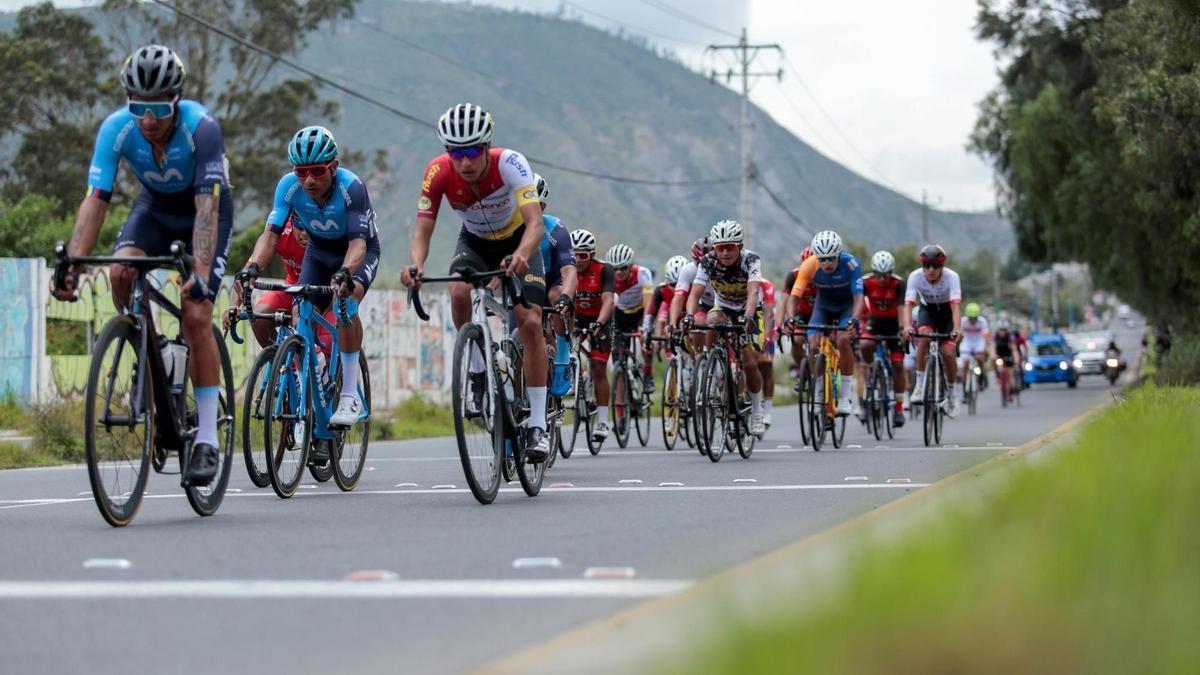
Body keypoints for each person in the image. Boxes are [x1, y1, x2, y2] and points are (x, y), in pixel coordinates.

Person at [52, 45, 232, 484]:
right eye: (139, 108)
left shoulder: (201, 128)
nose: (148, 119)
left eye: (159, 109)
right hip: (154, 209)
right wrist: (73, 265)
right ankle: (153, 351)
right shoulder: (115, 129)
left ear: (176, 100)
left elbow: (207, 211)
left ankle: (207, 439)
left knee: (196, 313)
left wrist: (201, 275)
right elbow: (96, 201)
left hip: (204, 210)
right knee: (120, 273)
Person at [400, 103, 551, 462]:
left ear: (486, 147)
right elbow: (423, 230)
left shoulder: (510, 163)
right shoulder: (437, 172)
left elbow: (535, 223)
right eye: (456, 153)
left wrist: (522, 254)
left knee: (530, 321)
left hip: (519, 240)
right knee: (458, 290)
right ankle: (479, 372)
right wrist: (416, 266)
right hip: (475, 242)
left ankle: (538, 424)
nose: (464, 162)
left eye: (471, 152)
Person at [244, 126, 381, 436]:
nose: (308, 180)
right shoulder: (287, 187)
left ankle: (349, 394)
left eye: (317, 171)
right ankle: (313, 379)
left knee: (347, 301)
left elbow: (358, 245)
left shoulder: (351, 187)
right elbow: (270, 236)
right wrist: (253, 267)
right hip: (318, 251)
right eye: (301, 172)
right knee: (300, 312)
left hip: (355, 250)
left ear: (333, 167)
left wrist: (345, 272)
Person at [683, 220, 767, 435]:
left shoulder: (751, 260)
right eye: (720, 248)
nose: (725, 253)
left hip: (749, 309)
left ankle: (757, 411)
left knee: (750, 363)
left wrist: (748, 317)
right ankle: (715, 365)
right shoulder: (708, 261)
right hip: (723, 306)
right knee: (711, 321)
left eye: (729, 247)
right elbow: (695, 293)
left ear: (739, 246)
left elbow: (753, 292)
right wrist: (689, 315)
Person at [786, 231, 864, 417]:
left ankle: (845, 396)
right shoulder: (809, 265)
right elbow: (793, 298)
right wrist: (790, 318)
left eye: (831, 259)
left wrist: (854, 319)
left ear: (839, 255)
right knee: (813, 344)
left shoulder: (850, 264)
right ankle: (819, 389)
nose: (826, 264)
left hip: (846, 307)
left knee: (843, 340)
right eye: (822, 259)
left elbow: (859, 298)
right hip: (823, 307)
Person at [901, 244, 963, 418]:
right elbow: (908, 304)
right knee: (924, 337)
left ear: (942, 266)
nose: (931, 270)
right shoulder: (915, 276)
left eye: (936, 266)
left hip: (947, 314)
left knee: (948, 353)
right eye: (926, 265)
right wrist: (906, 326)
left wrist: (957, 328)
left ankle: (952, 395)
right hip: (927, 311)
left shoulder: (952, 277)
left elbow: (955, 306)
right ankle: (919, 386)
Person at [532, 173, 578, 397]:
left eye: (535, 205)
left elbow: (569, 272)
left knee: (556, 296)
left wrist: (566, 297)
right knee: (516, 337)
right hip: (527, 284)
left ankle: (561, 356)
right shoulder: (508, 228)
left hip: (552, 282)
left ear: (543, 207)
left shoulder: (555, 228)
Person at [569, 229, 615, 443]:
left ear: (592, 254)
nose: (578, 260)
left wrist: (600, 323)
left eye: (583, 255)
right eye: (574, 254)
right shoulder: (567, 268)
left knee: (598, 367)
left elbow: (608, 300)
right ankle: (577, 378)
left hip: (600, 318)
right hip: (577, 318)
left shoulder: (604, 270)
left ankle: (603, 422)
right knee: (564, 349)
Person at [859, 250, 907, 428]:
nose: (881, 279)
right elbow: (857, 301)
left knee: (898, 364)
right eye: (878, 275)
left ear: (891, 273)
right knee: (865, 344)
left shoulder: (898, 283)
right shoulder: (866, 282)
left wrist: (902, 329)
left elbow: (902, 307)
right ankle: (871, 371)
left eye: (885, 275)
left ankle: (899, 408)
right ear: (873, 272)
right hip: (875, 322)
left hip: (894, 324)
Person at [606, 244, 655, 394]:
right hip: (620, 314)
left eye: (623, 268)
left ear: (630, 265)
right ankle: (621, 397)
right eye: (615, 269)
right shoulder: (608, 276)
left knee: (646, 342)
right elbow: (607, 301)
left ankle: (648, 374)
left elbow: (648, 302)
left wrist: (646, 325)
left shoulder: (642, 273)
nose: (618, 272)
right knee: (616, 353)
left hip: (639, 313)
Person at [778, 247, 817, 384]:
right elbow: (784, 302)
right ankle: (804, 369)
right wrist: (780, 324)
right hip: (803, 314)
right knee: (797, 340)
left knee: (818, 343)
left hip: (820, 313)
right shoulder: (793, 276)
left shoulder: (824, 276)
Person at [757, 278, 778, 429]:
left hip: (765, 324)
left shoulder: (766, 285)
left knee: (766, 366)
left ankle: (768, 411)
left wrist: (765, 336)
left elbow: (769, 314)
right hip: (746, 322)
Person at [959, 302, 990, 397]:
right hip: (967, 342)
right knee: (965, 365)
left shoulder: (982, 322)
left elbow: (985, 336)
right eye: (970, 318)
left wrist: (985, 348)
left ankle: (982, 376)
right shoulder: (963, 321)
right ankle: (964, 389)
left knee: (980, 359)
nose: (972, 320)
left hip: (979, 342)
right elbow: (960, 335)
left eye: (974, 318)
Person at [991, 323, 1018, 400]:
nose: (1002, 332)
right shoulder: (995, 336)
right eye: (1000, 330)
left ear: (1006, 331)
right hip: (999, 355)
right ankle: (997, 374)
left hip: (1008, 355)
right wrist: (993, 355)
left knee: (1010, 374)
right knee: (994, 360)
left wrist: (1016, 359)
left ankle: (1011, 390)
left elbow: (1014, 350)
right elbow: (992, 347)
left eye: (1004, 330)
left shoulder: (1010, 337)